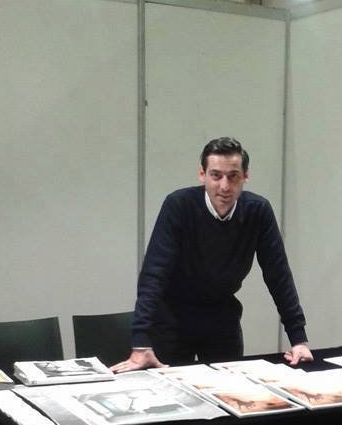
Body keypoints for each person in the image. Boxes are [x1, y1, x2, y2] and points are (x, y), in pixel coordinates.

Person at [112, 136, 313, 371]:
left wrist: (298, 339)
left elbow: (278, 275)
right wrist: (140, 342)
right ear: (202, 175)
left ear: (245, 176)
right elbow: (153, 274)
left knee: (229, 389)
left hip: (222, 319)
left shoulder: (257, 211)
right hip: (172, 320)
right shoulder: (179, 205)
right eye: (216, 175)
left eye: (233, 176)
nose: (224, 186)